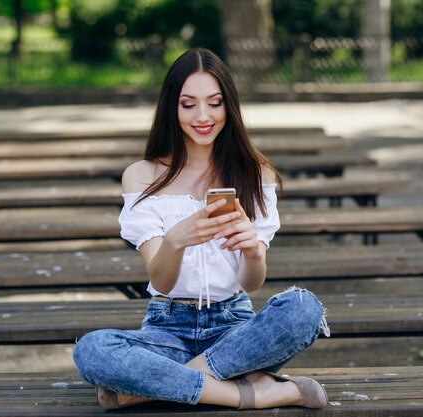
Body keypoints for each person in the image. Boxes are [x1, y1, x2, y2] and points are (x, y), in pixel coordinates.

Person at [73, 47, 330, 410]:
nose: (203, 116)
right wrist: (176, 240)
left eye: (215, 102)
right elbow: (161, 282)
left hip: (234, 326)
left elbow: (250, 283)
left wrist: (254, 250)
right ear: (171, 108)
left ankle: (144, 389)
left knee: (304, 307)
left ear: (229, 106)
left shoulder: (256, 175)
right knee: (92, 350)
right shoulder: (142, 176)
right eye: (188, 104)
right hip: (167, 328)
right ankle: (251, 394)